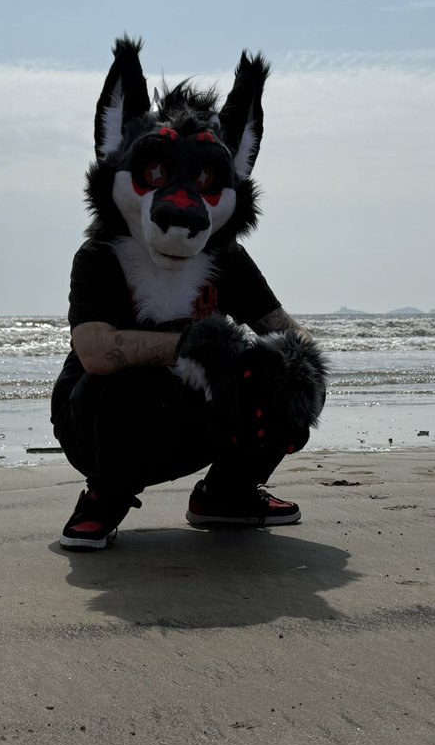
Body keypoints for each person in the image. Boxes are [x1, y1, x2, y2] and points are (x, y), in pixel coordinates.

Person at [50, 37, 327, 550]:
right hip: (95, 415)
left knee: (284, 382)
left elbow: (278, 323)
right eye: (156, 172)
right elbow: (93, 351)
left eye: (203, 178)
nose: (182, 204)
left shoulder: (227, 261)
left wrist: (297, 362)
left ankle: (227, 492)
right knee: (127, 392)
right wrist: (187, 346)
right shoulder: (100, 258)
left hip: (190, 410)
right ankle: (103, 497)